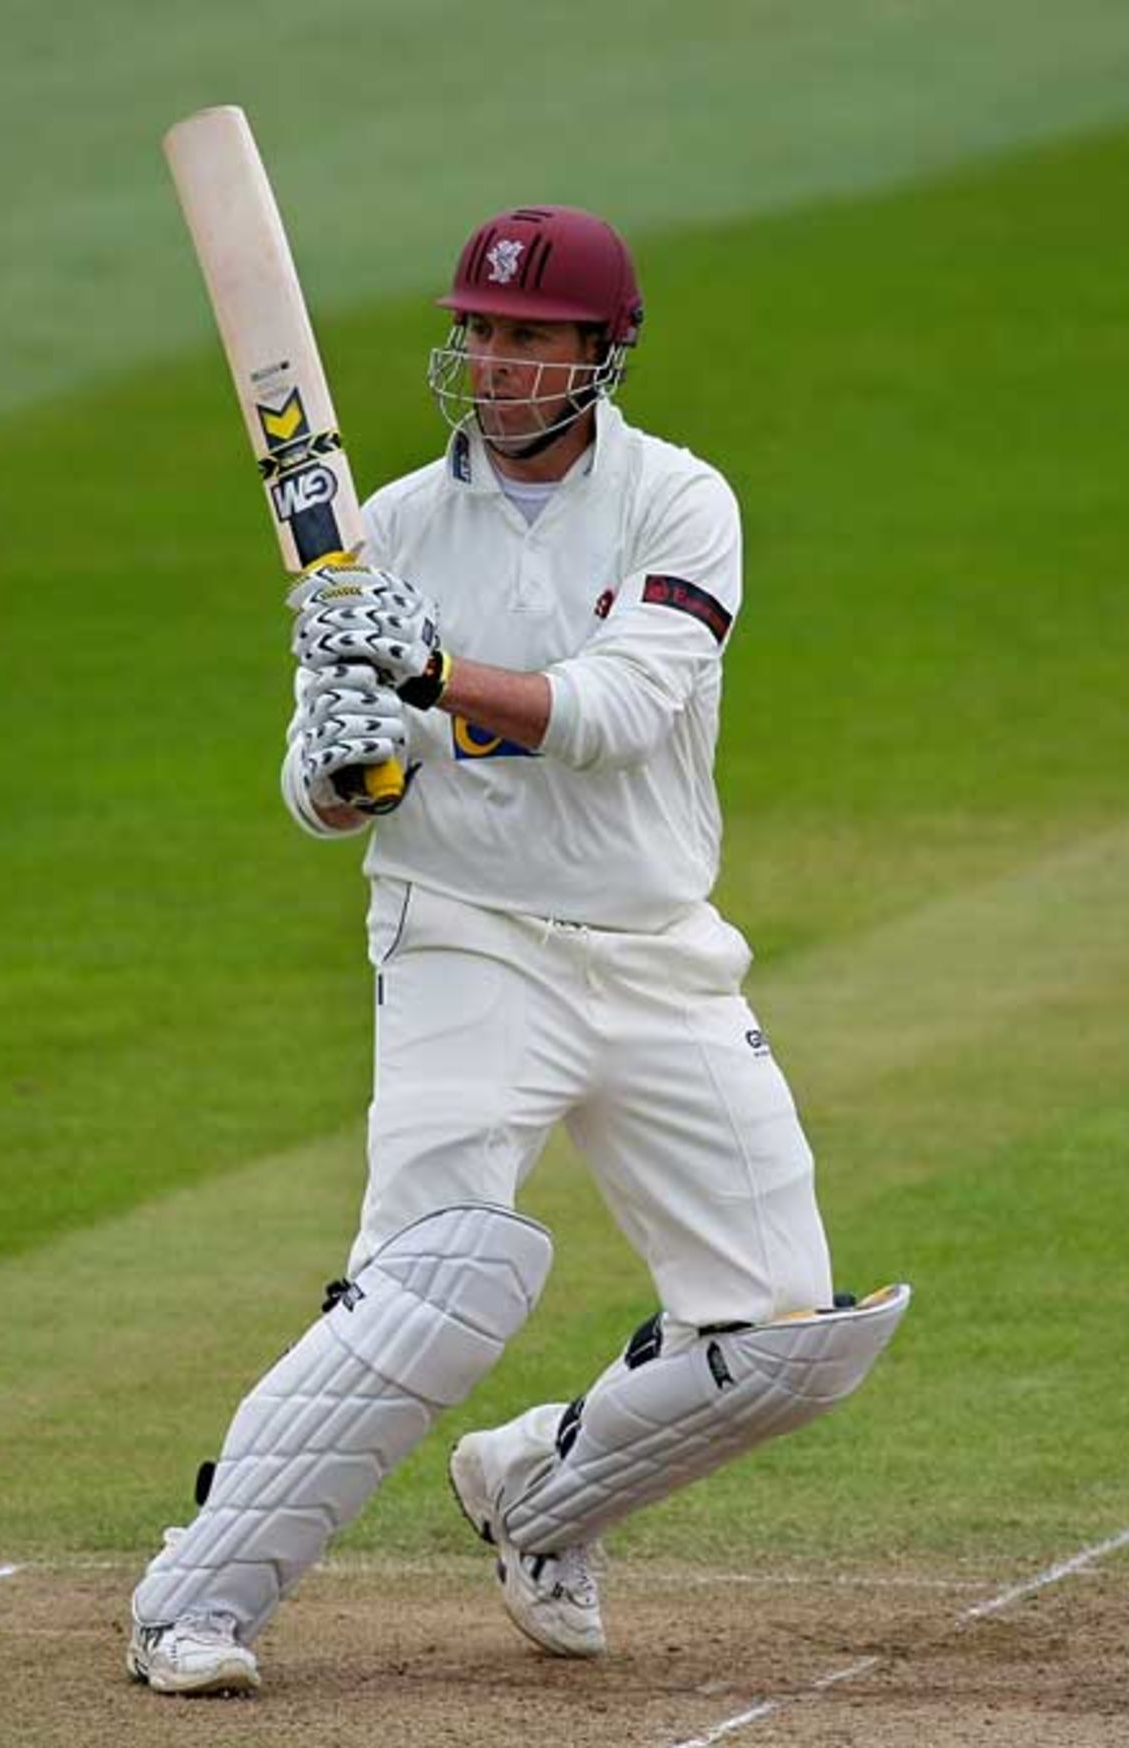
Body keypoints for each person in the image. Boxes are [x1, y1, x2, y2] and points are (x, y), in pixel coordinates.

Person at [126, 205, 910, 1696]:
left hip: (659, 950)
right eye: (478, 331)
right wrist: (348, 764)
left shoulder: (682, 504)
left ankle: (535, 1499)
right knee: (430, 1280)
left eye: (530, 338)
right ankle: (193, 1595)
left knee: (788, 1338)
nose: (493, 361)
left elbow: (614, 716)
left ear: (603, 353)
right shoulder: (389, 532)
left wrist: (420, 670)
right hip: (466, 941)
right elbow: (324, 783)